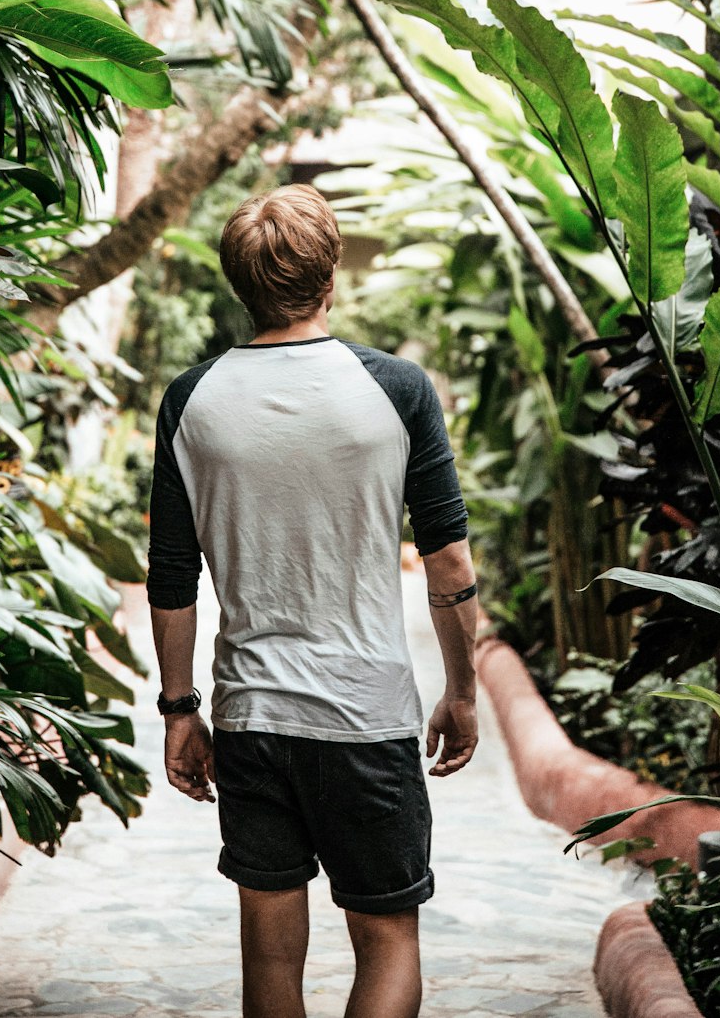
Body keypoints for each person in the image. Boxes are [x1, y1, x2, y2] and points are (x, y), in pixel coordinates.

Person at [146, 182, 479, 1018]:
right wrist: (463, 690)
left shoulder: (193, 402)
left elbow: (171, 571)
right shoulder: (397, 391)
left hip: (254, 717)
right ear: (331, 280)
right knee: (389, 942)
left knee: (268, 958)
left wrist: (180, 708)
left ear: (239, 286)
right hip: (366, 718)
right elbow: (446, 561)